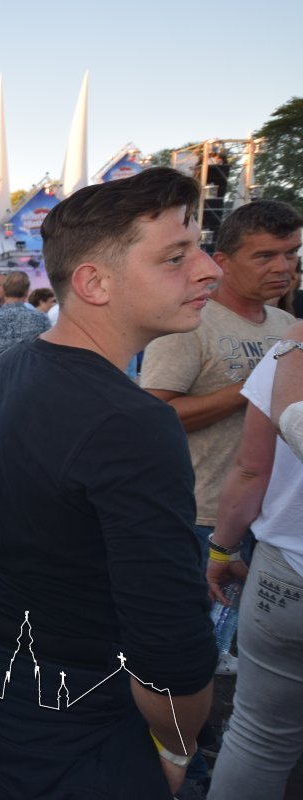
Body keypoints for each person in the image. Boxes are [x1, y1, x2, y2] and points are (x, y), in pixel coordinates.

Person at [0, 167, 219, 797]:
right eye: (176, 256)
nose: (208, 271)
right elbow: (169, 649)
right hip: (75, 719)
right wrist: (176, 747)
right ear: (93, 282)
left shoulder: (9, 367)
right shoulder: (132, 423)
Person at [141, 200, 301, 573]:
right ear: (223, 262)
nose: (283, 266)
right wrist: (258, 386)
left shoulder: (286, 324)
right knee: (212, 610)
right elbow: (156, 416)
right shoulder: (189, 322)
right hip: (205, 515)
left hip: (274, 515)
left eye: (291, 253)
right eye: (264, 256)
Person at [205, 319, 303, 799]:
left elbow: (250, 469)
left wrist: (222, 549)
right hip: (284, 573)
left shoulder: (292, 352)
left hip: (287, 571)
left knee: (260, 738)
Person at [0, 270, 50, 376]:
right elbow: (48, 352)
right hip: (29, 377)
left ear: (5, 290)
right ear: (26, 292)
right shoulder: (41, 318)